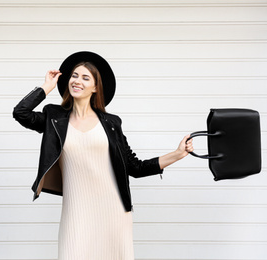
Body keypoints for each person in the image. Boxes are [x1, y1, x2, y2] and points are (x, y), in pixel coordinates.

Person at [13, 51, 194, 260]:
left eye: (85, 77)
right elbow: (21, 112)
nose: (77, 81)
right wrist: (47, 87)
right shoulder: (55, 118)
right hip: (77, 212)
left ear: (96, 87)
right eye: (74, 76)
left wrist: (178, 154)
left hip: (114, 210)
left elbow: (134, 167)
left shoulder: (111, 123)